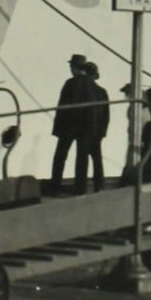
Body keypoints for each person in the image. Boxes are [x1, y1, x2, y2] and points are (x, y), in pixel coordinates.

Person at [50, 55, 109, 195]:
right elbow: (104, 115)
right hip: (89, 129)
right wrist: (100, 132)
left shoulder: (71, 83)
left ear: (75, 68)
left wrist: (58, 129)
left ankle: (55, 185)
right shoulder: (98, 89)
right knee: (83, 158)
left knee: (60, 155)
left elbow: (62, 107)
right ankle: (81, 188)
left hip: (69, 126)